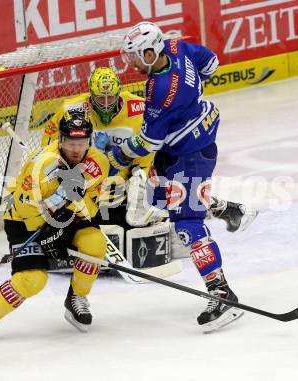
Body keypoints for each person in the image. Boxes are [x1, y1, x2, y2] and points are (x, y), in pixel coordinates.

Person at [107, 22, 244, 331]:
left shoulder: (158, 91)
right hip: (180, 144)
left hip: (191, 155)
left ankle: (221, 292)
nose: (130, 64)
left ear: (150, 52)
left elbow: (147, 142)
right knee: (155, 196)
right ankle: (228, 209)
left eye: (134, 57)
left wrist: (116, 156)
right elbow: (211, 62)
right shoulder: (177, 48)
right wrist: (191, 103)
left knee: (186, 223)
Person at [42, 67, 256, 233]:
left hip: (130, 176)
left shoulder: (140, 108)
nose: (106, 104)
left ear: (119, 92)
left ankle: (228, 210)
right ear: (90, 95)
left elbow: (156, 142)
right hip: (89, 177)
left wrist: (141, 173)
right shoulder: (71, 109)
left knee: (168, 198)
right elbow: (49, 146)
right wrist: (61, 174)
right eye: (100, 98)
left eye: (111, 98)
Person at [0, 111, 110, 345]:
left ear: (89, 142)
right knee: (32, 280)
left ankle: (77, 298)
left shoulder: (97, 162)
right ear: (60, 140)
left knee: (95, 244)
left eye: (81, 144)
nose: (76, 149)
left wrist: (72, 204)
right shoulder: (42, 165)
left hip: (66, 217)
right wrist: (55, 212)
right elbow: (23, 207)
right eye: (71, 143)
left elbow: (91, 208)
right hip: (24, 221)